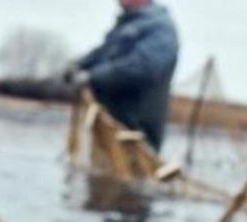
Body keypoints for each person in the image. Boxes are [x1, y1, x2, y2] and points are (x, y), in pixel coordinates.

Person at [66, 0, 179, 152]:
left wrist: (91, 77)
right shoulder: (126, 25)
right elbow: (102, 54)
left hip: (136, 129)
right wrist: (78, 65)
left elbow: (142, 68)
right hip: (110, 124)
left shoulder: (160, 28)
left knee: (133, 173)